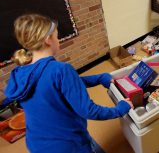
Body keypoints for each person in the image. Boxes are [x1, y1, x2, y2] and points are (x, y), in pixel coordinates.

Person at [4, 14, 134, 153]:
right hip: (68, 145)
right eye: (56, 36)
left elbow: (62, 86)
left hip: (37, 144)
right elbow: (88, 110)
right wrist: (120, 109)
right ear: (48, 40)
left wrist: (98, 78)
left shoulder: (21, 73)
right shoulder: (61, 70)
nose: (58, 41)